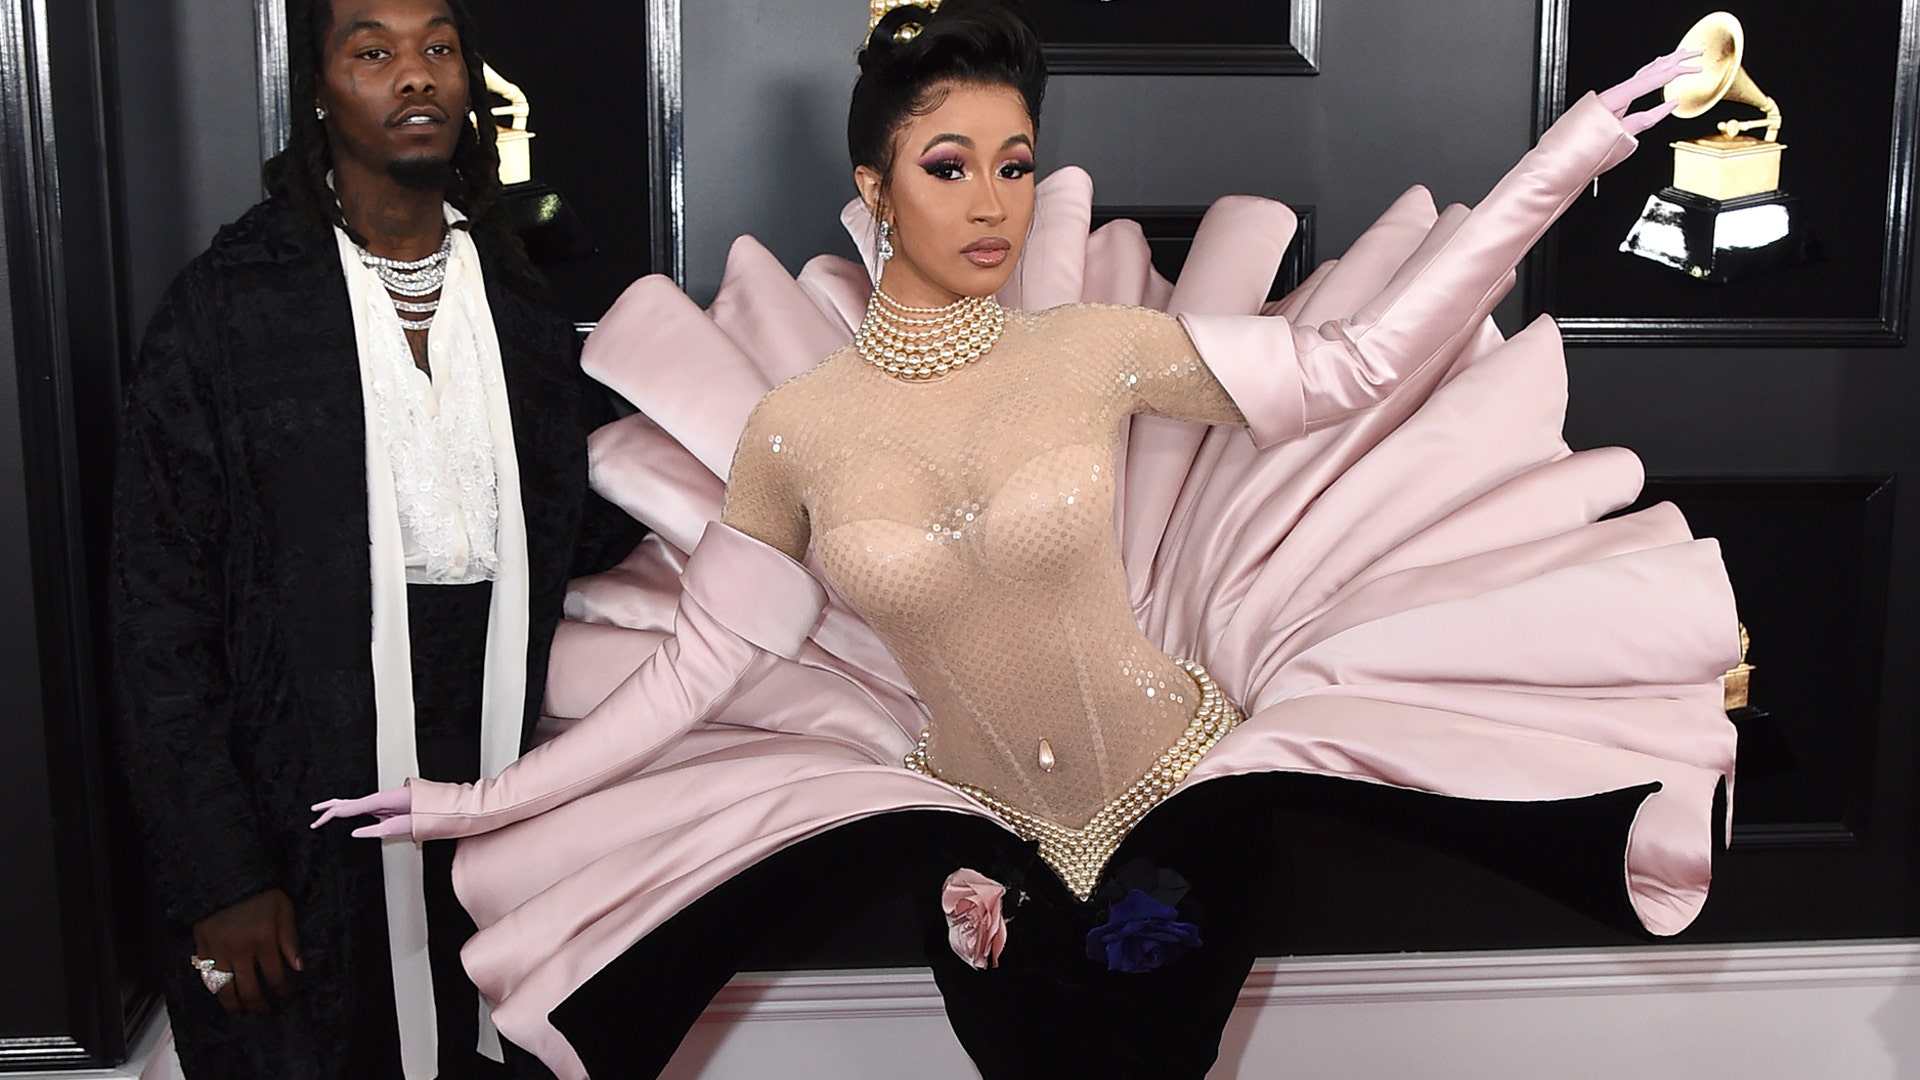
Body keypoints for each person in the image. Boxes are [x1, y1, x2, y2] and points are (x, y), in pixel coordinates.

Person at [316, 2, 1737, 1076]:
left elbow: (1360, 364)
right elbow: (693, 676)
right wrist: (478, 805)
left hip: (1191, 801)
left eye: (1015, 164)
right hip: (979, 854)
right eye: (949, 166)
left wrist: (1573, 151)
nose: (994, 202)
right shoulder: (797, 435)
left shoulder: (1090, 351)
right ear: (877, 188)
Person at [112, 0, 632, 1075]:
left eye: (438, 47)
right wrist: (219, 874)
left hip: (492, 794)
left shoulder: (523, 308)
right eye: (372, 50)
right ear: (318, 89)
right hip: (294, 818)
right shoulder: (227, 308)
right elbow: (157, 611)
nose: (415, 73)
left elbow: (579, 540)